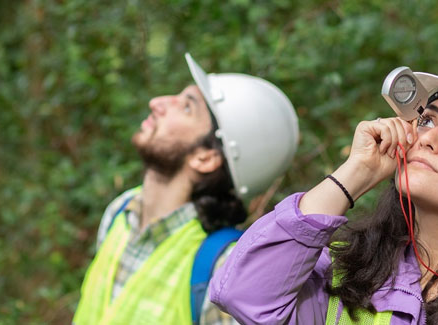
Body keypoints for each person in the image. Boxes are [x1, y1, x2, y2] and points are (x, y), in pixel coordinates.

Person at [209, 58, 438, 324]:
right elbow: (242, 294)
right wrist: (355, 173)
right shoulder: (339, 282)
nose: (428, 138)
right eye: (427, 120)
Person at [72, 53, 299, 324]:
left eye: (186, 107)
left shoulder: (223, 270)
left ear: (205, 157)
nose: (157, 103)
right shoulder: (119, 213)